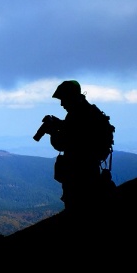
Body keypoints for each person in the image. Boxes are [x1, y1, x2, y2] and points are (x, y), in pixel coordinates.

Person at [45, 80, 113, 215]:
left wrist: (52, 131)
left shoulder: (77, 115)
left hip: (78, 173)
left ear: (70, 97)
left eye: (63, 99)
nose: (62, 104)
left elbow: (62, 143)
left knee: (77, 208)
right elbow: (78, 132)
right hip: (90, 169)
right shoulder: (89, 111)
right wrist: (61, 124)